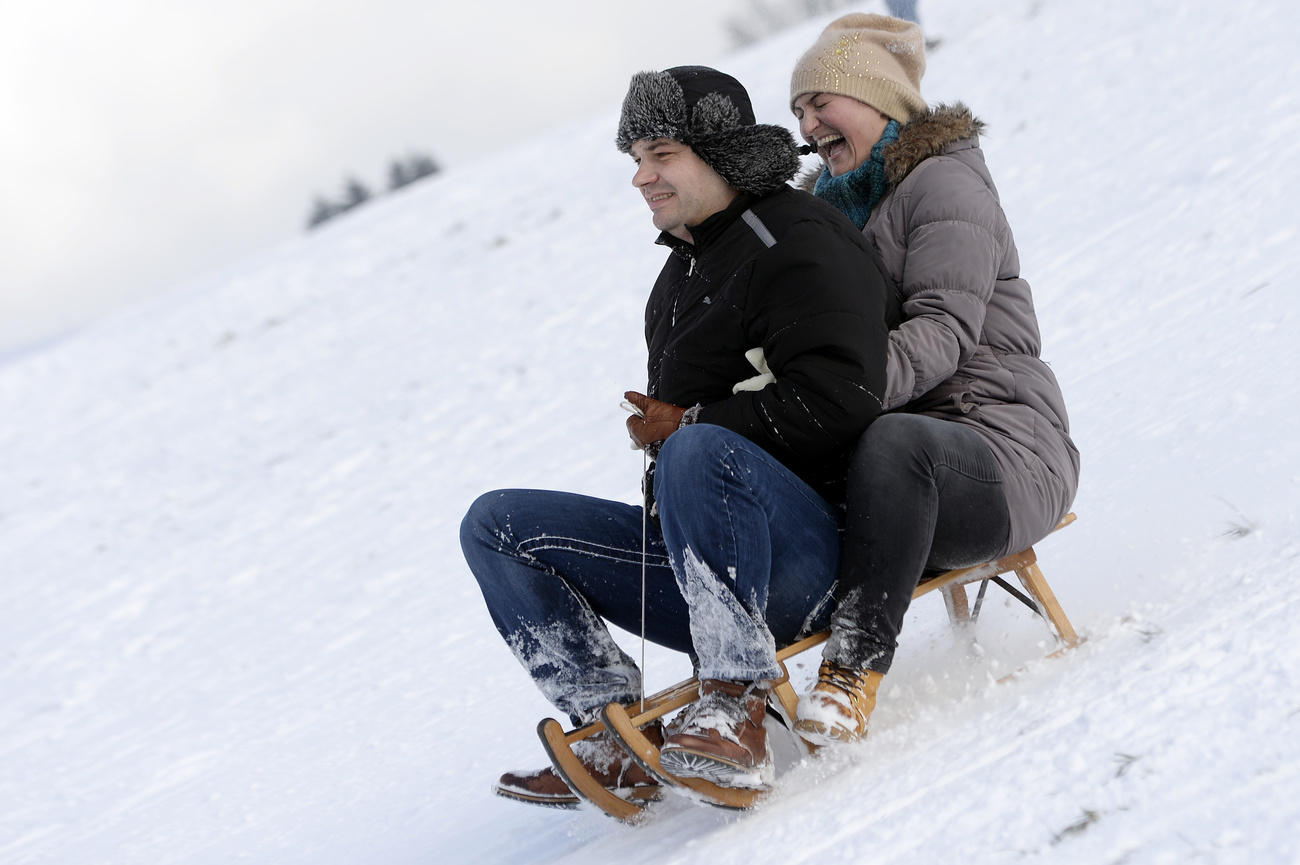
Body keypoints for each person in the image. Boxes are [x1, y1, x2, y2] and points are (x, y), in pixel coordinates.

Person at [460, 65, 894, 805]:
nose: (641, 176)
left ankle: (735, 707)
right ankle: (613, 736)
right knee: (496, 523)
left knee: (698, 446)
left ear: (720, 152)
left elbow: (842, 399)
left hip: (813, 559)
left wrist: (689, 427)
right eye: (634, 158)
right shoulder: (680, 276)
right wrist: (671, 434)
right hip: (709, 567)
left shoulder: (796, 240)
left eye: (661, 153)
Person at [785, 14, 1080, 745]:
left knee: (896, 441)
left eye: (822, 100)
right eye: (797, 110)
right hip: (896, 466)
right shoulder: (828, 221)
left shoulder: (944, 184)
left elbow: (944, 331)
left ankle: (852, 672)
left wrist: (829, 400)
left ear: (882, 101)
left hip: (1003, 452)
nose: (808, 121)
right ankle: (729, 696)